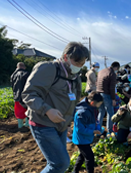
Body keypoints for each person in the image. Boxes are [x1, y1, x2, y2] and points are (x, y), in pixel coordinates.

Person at [22, 42, 89, 173]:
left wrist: (69, 122)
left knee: (55, 162)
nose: (79, 66)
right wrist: (47, 109)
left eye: (82, 63)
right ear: (65, 57)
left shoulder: (74, 77)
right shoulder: (48, 68)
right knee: (60, 163)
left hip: (62, 124)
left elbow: (73, 101)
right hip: (43, 123)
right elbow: (29, 94)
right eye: (77, 62)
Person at [72, 91, 103, 173]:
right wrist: (93, 131)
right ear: (92, 102)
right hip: (81, 139)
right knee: (90, 157)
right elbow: (80, 129)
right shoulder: (82, 113)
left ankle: (75, 171)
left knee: (82, 156)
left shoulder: (91, 108)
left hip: (86, 138)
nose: (100, 105)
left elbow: (95, 121)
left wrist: (98, 128)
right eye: (99, 104)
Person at [96, 61, 120, 138]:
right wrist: (113, 99)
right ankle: (110, 131)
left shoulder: (102, 71)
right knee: (110, 112)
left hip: (99, 93)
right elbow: (112, 88)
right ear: (116, 67)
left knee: (101, 112)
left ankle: (98, 130)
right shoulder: (112, 73)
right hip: (106, 94)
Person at [10, 62, 30, 131]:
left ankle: (20, 125)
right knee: (28, 109)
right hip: (25, 95)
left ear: (17, 67)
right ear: (24, 67)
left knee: (19, 110)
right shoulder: (26, 74)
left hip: (16, 96)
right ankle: (27, 124)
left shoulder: (13, 75)